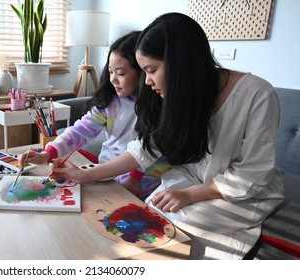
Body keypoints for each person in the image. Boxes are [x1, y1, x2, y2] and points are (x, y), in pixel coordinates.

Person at [52, 13, 284, 259]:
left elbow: (252, 174)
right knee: (149, 211)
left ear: (180, 62)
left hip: (238, 189)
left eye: (151, 70)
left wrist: (190, 195)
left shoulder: (257, 94)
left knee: (172, 223)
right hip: (190, 177)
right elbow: (144, 150)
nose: (148, 82)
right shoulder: (178, 92)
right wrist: (85, 175)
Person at [21, 31, 170, 200]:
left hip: (141, 180)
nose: (113, 79)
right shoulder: (110, 103)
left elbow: (154, 154)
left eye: (121, 73)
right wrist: (48, 153)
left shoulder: (159, 107)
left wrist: (134, 178)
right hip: (105, 172)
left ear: (143, 72)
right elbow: (79, 131)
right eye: (110, 71)